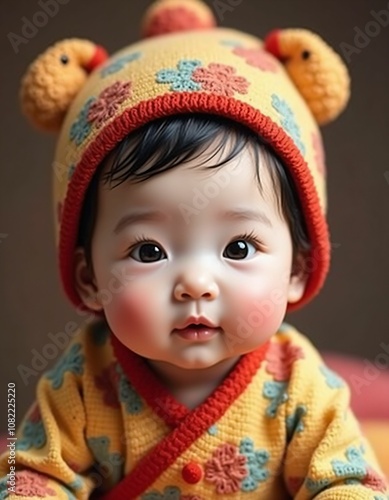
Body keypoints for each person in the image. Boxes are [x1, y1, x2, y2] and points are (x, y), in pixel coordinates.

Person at [1, 0, 387, 498]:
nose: (196, 284)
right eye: (148, 252)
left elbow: (351, 481)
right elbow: (32, 473)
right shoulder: (82, 383)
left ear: (299, 266)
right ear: (89, 280)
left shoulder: (300, 385)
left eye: (240, 246)